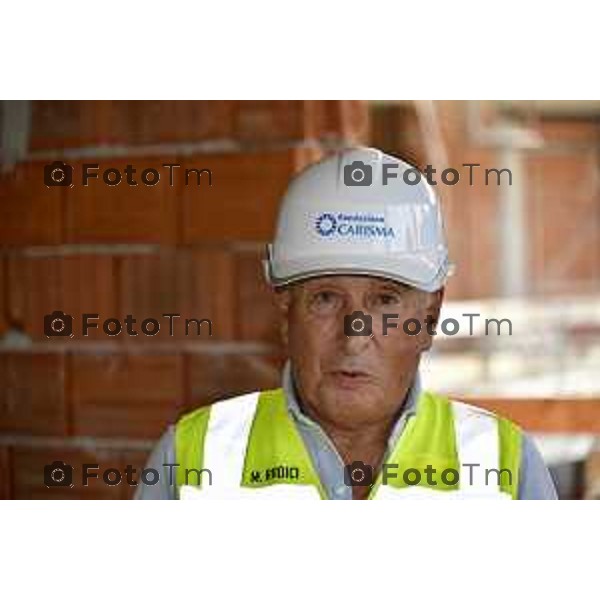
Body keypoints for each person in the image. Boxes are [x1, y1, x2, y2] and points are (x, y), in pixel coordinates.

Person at [135, 147, 557, 500]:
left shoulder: (506, 469)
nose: (354, 335)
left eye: (385, 301)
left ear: (429, 317)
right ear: (285, 313)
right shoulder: (191, 461)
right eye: (325, 299)